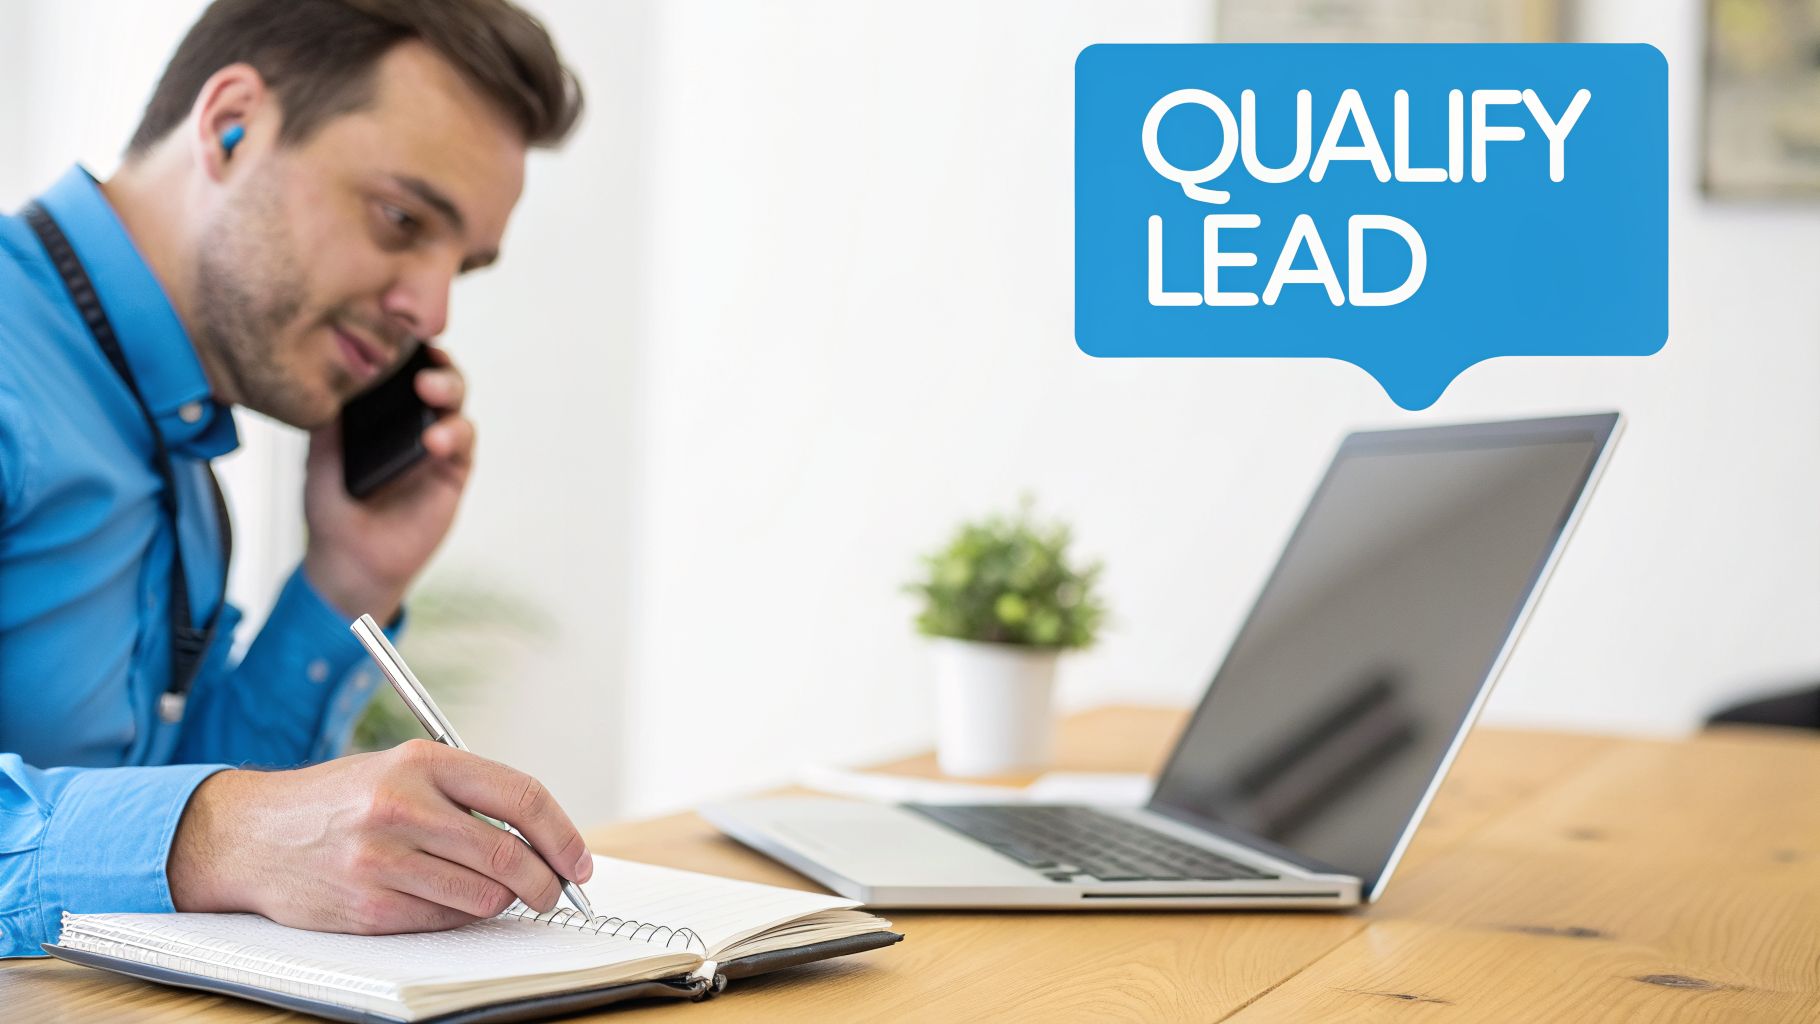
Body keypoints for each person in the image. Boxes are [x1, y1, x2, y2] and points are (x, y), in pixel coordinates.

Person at [0, 0, 592, 957]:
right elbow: (204, 842)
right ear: (231, 126)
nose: (429, 306)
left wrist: (348, 580)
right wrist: (217, 834)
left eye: (463, 267)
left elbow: (184, 825)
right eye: (402, 219)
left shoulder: (172, 429)